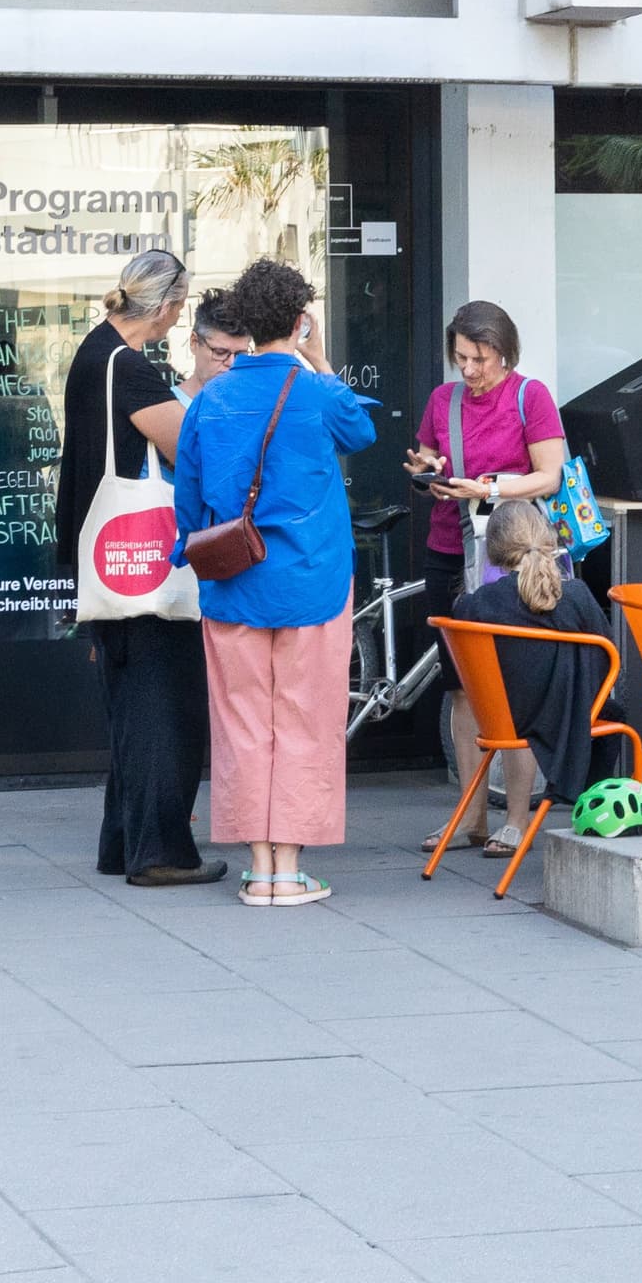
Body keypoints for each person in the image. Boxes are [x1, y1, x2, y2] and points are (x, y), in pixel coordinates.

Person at [174, 257, 376, 909]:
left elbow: (190, 503)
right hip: (312, 580)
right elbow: (363, 429)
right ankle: (290, 868)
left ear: (245, 325)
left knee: (240, 724)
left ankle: (257, 869)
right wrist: (318, 355)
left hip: (233, 581)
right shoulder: (317, 393)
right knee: (305, 720)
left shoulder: (212, 399)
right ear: (298, 320)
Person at [58, 250, 220, 889]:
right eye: (180, 309)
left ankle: (122, 842)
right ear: (168, 305)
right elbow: (187, 446)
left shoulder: (94, 352)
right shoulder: (128, 367)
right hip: (144, 561)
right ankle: (160, 851)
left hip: (104, 553)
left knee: (130, 699)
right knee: (166, 704)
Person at [402, 302, 566, 845]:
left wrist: (490, 488)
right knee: (462, 690)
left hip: (513, 557)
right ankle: (470, 814)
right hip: (449, 550)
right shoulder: (441, 401)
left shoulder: (530, 395)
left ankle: (516, 816)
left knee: (512, 684)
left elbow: (548, 476)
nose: (468, 369)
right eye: (460, 357)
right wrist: (426, 473)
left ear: (504, 352)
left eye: (479, 358)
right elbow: (430, 459)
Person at [460, 498, 642, 840]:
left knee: (525, 710)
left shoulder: (474, 604)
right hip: (567, 720)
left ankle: (511, 824)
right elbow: (607, 661)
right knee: (612, 715)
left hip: (499, 721)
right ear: (548, 539)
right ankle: (572, 816)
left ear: (494, 550)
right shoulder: (575, 595)